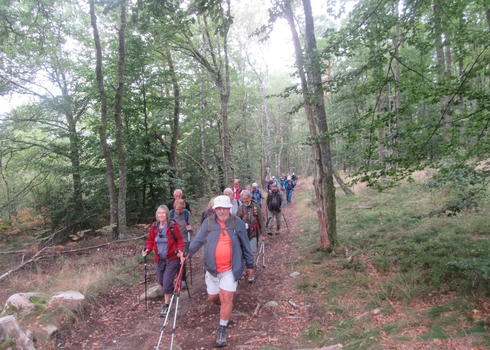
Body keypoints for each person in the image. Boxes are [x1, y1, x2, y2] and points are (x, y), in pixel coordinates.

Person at [179, 195, 254, 348]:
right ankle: (226, 308)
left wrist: (250, 265)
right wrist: (188, 253)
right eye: (219, 208)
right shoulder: (208, 222)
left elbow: (246, 245)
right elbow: (198, 241)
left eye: (224, 208)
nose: (222, 211)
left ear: (229, 208)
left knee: (226, 297)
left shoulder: (237, 222)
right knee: (214, 297)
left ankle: (222, 328)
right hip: (212, 269)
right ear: (214, 210)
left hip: (231, 268)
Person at [142, 205, 184, 317]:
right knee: (161, 281)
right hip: (159, 259)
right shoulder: (154, 227)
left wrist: (179, 251)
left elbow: (180, 240)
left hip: (172, 259)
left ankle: (166, 305)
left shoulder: (172, 226)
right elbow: (150, 241)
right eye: (159, 213)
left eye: (163, 213)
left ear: (167, 214)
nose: (161, 215)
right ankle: (171, 293)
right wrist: (147, 250)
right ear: (157, 215)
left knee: (166, 284)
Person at [170, 199, 193, 288]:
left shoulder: (187, 214)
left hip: (184, 240)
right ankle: (171, 281)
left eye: (180, 209)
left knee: (181, 260)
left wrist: (190, 228)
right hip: (173, 240)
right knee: (172, 260)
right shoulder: (171, 213)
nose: (179, 211)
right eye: (177, 209)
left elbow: (191, 226)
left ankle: (183, 280)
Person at [237, 190, 266, 254]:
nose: (245, 201)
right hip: (244, 231)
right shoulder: (240, 208)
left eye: (246, 198)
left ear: (250, 197)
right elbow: (237, 221)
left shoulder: (256, 206)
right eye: (243, 199)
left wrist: (264, 234)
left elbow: (261, 220)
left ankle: (251, 262)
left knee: (252, 250)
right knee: (244, 249)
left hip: (254, 231)